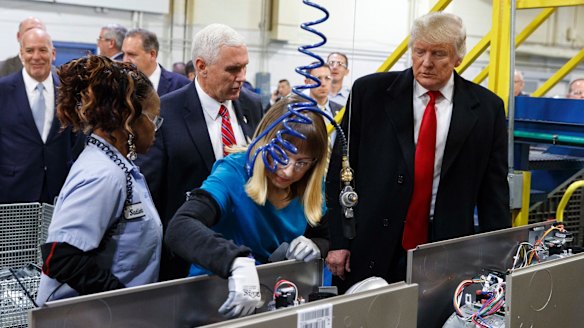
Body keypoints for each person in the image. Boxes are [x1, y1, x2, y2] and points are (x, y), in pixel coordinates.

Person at [325, 12, 511, 293]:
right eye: (419, 51)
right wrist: (338, 240)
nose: (426, 63)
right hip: (370, 242)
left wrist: (498, 259)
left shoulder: (487, 109)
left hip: (445, 247)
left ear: (459, 57)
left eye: (438, 54)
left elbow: (494, 191)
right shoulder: (370, 94)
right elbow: (340, 172)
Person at [165, 95, 330, 318]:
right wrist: (234, 260)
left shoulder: (310, 183)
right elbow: (181, 227)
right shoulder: (234, 172)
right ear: (265, 142)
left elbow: (327, 232)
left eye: (301, 162)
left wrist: (318, 243)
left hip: (273, 299)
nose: (288, 172)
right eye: (281, 156)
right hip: (214, 298)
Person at [136, 23, 263, 281]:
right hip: (187, 258)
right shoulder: (166, 112)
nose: (242, 77)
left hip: (245, 252)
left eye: (245, 67)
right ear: (201, 67)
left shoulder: (252, 105)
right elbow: (148, 191)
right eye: (233, 69)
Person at [36, 55, 163, 306]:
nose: (156, 128)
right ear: (128, 118)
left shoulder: (115, 166)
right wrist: (119, 301)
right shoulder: (103, 175)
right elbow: (60, 255)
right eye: (153, 118)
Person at [0, 28, 80, 204]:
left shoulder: (69, 92)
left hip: (60, 193)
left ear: (53, 54)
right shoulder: (3, 90)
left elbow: (77, 141)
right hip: (13, 193)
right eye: (29, 50)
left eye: (43, 50)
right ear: (21, 54)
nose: (36, 57)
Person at [122, 28, 190, 97]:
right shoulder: (119, 84)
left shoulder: (181, 85)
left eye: (131, 54)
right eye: (123, 54)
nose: (125, 60)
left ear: (152, 54)